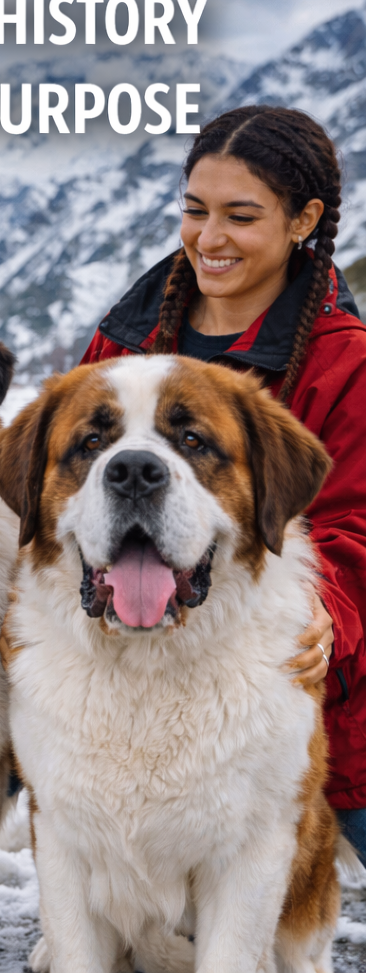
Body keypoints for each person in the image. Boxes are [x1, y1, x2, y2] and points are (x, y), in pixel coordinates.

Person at [81, 105, 366, 858]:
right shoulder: (128, 334)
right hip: (130, 665)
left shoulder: (347, 363)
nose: (209, 239)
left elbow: (355, 525)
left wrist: (327, 611)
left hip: (302, 682)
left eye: (240, 216)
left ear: (304, 219)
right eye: (195, 210)